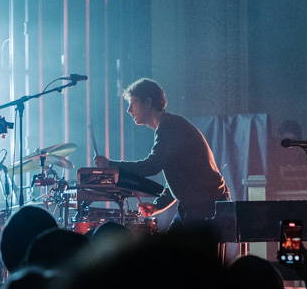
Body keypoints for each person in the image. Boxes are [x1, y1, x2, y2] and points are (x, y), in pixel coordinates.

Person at [94, 78, 229, 227]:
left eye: (133, 103)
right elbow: (181, 178)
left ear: (148, 102)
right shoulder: (170, 125)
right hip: (197, 204)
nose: (128, 110)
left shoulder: (170, 127)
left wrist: (110, 165)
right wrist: (157, 206)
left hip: (205, 206)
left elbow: (151, 166)